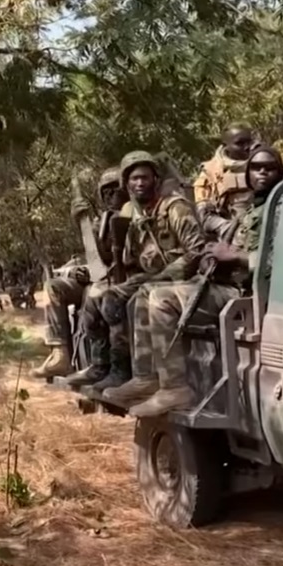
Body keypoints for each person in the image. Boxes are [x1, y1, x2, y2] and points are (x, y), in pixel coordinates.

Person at [121, 144, 283, 417]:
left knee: (161, 301)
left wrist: (237, 257)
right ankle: (147, 377)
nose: (262, 173)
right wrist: (214, 257)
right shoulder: (250, 210)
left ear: (280, 173)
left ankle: (175, 388)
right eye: (256, 168)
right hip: (224, 284)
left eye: (269, 168)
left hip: (247, 294)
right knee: (145, 293)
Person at [87, 150, 206, 396]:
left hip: (182, 277)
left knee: (141, 296)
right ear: (126, 184)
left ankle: (148, 376)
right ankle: (121, 369)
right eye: (134, 179)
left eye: (145, 177)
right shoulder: (134, 214)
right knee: (109, 297)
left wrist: (162, 275)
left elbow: (197, 252)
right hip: (152, 276)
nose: (140, 183)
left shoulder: (174, 207)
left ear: (155, 179)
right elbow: (128, 259)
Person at [31, 167, 120, 379]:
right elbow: (96, 258)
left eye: (115, 190)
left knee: (94, 292)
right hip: (100, 275)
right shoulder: (103, 222)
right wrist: (83, 223)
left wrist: (97, 273)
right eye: (105, 192)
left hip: (119, 280)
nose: (110, 196)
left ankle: (102, 364)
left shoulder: (135, 215)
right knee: (54, 287)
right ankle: (60, 354)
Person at [193, 123, 256, 239]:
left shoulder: (263, 164)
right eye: (240, 143)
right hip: (229, 236)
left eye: (249, 142)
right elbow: (203, 215)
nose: (247, 147)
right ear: (225, 146)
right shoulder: (210, 173)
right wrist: (226, 228)